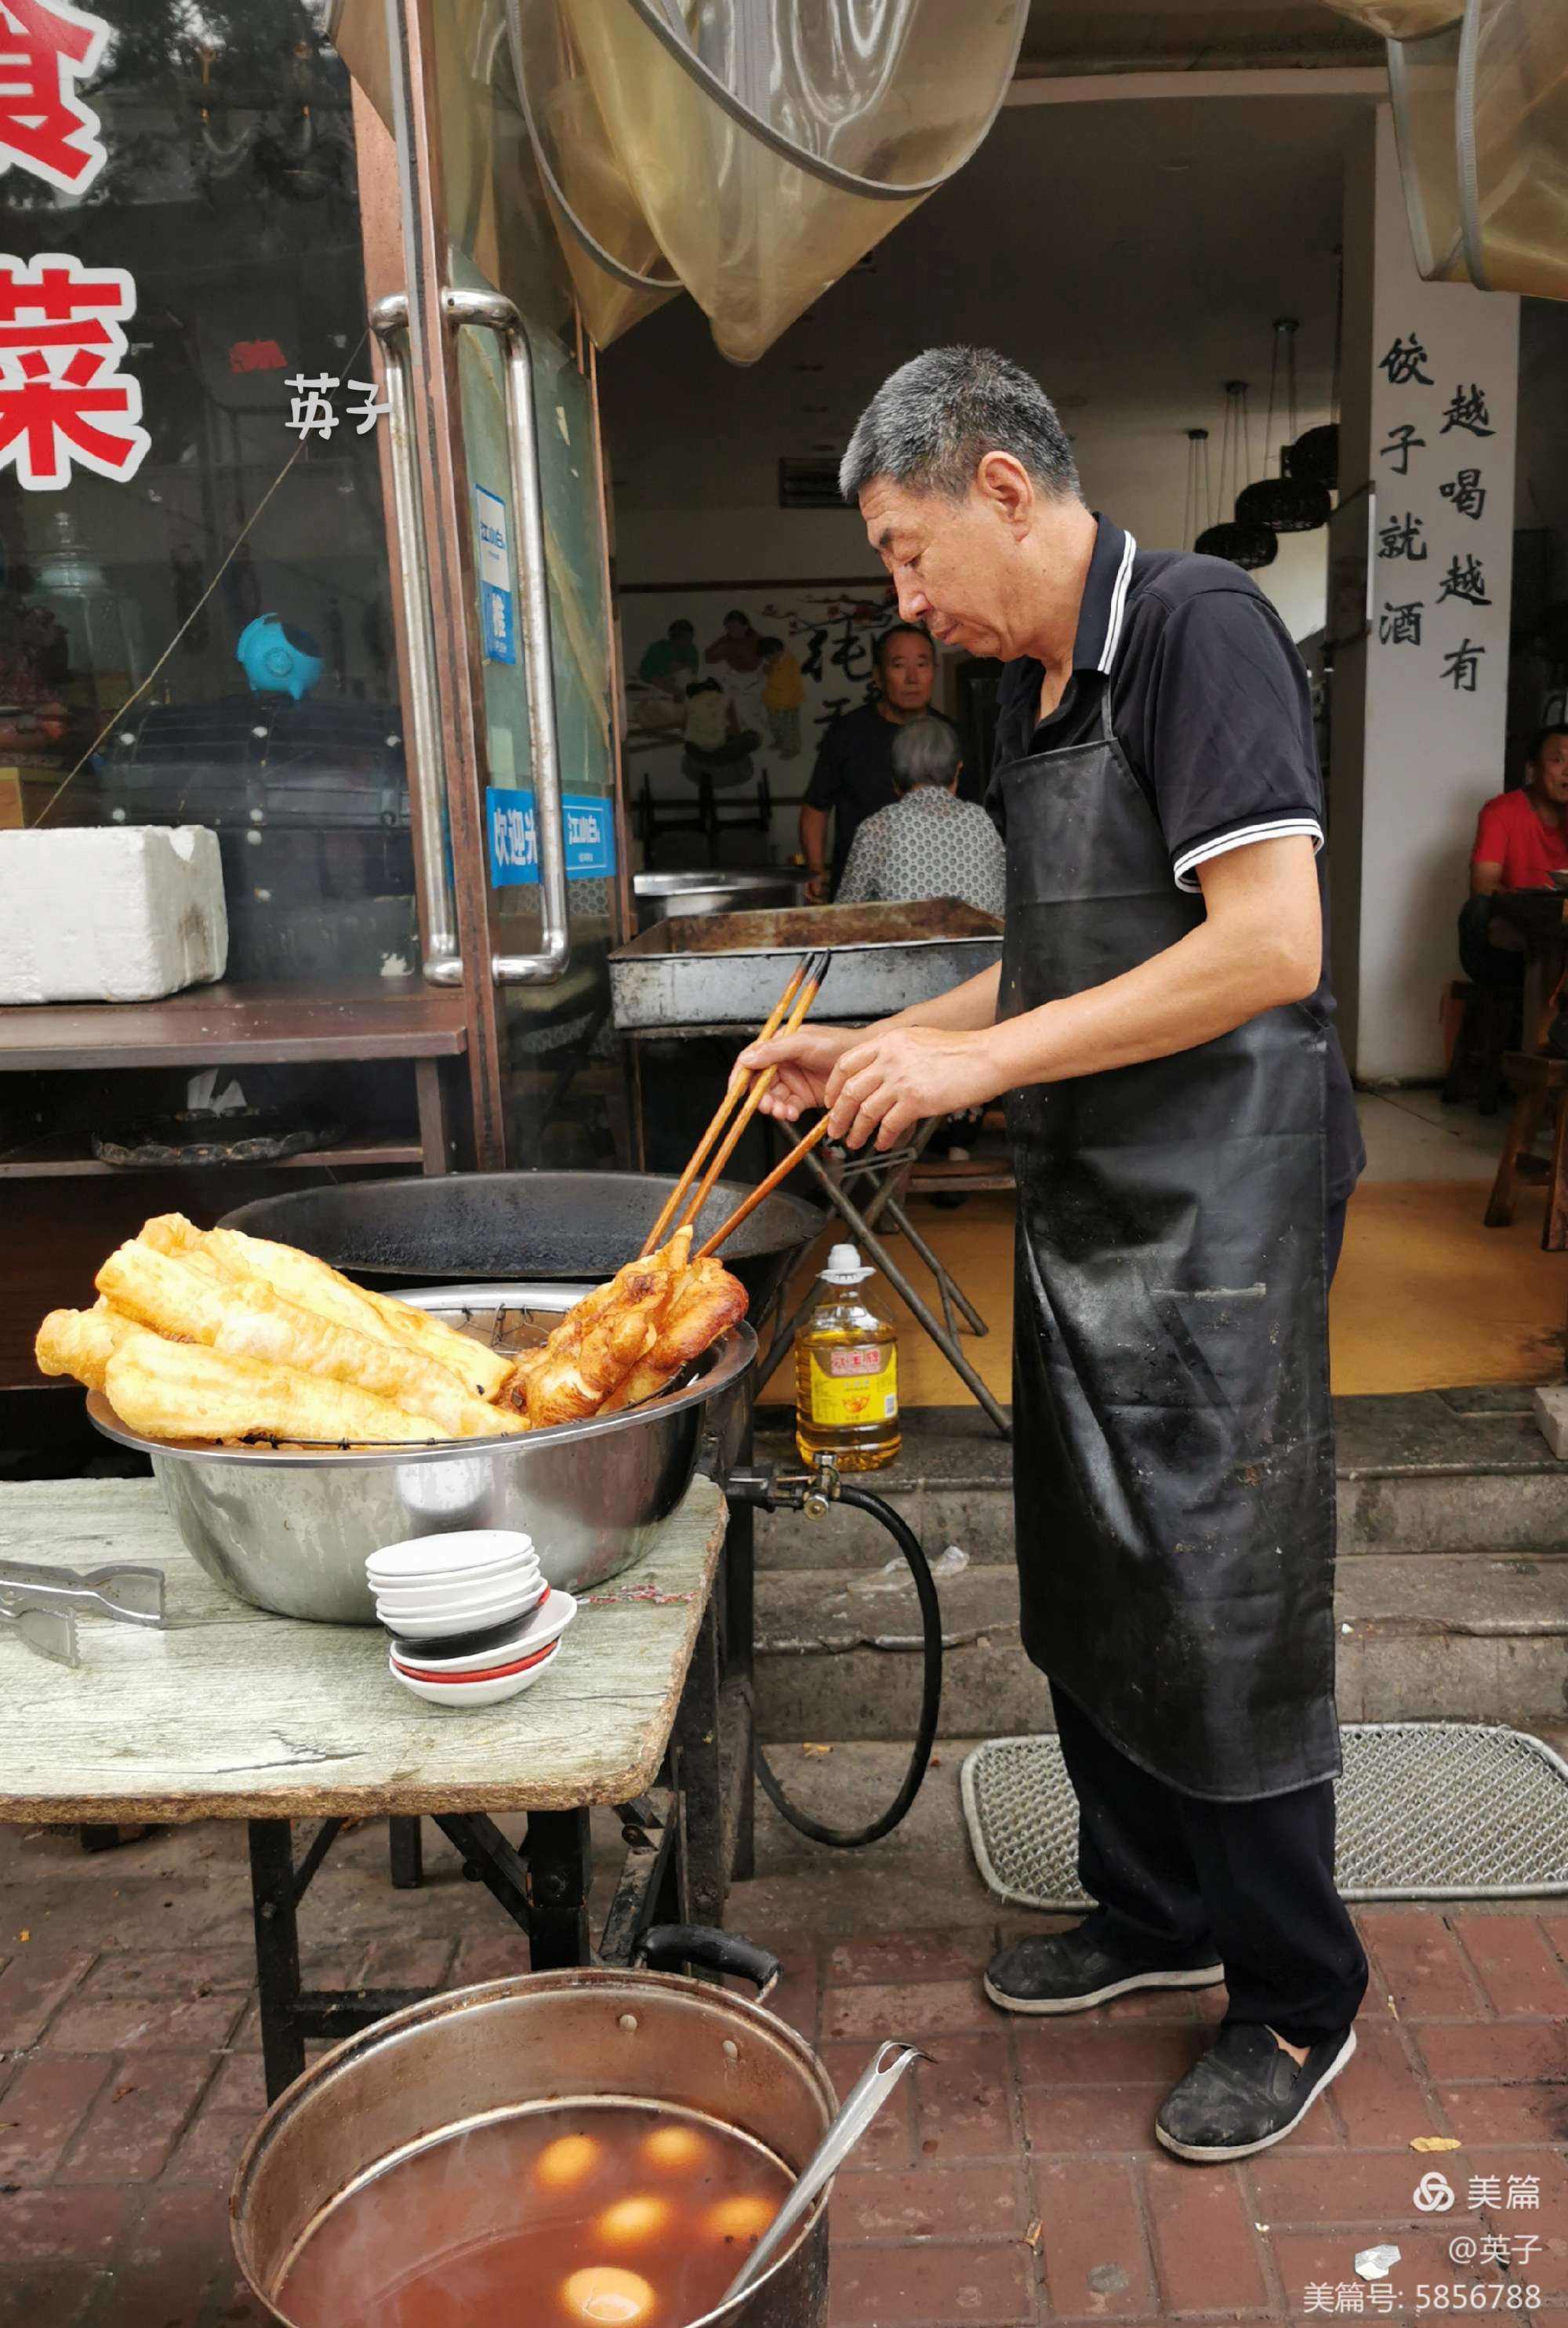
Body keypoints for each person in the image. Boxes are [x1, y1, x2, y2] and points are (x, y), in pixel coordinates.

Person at [742, 346, 1367, 2165]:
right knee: (1091, 1559)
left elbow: (1264, 947)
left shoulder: (1197, 629)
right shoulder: (1027, 693)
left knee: (1215, 1587)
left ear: (1001, 491)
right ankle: (1147, 1912)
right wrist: (884, 1050)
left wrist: (975, 1065)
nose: (903, 599)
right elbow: (1062, 968)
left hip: (1223, 1201)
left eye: (905, 550)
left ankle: (1289, 1995)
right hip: (1092, 1183)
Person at [799, 622, 954, 899]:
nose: (912, 678)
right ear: (878, 677)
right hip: (859, 892)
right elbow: (816, 808)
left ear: (934, 672)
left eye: (922, 664)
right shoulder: (846, 733)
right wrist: (816, 870)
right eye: (898, 665)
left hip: (936, 891)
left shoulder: (950, 736)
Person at [837, 714, 1004, 919]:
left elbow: (844, 917)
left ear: (895, 781)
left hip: (904, 951)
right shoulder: (983, 822)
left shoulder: (878, 829)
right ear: (958, 770)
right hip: (986, 949)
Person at [1458, 725, 1568, 986]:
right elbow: (1482, 885)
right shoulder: (1502, 812)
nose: (1567, 770)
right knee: (1477, 910)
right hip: (1520, 927)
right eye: (1558, 760)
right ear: (1533, 769)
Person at [757, 634, 805, 760]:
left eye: (770, 656)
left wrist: (771, 673)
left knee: (789, 728)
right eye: (766, 657)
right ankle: (780, 741)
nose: (768, 659)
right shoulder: (770, 664)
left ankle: (792, 749)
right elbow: (766, 681)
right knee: (774, 725)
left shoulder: (790, 663)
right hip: (773, 702)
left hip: (788, 703)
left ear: (779, 651)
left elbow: (787, 685)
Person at [637, 618, 699, 697]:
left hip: (683, 692)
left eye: (690, 639)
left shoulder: (691, 650)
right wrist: (667, 686)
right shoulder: (658, 649)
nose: (688, 643)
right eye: (685, 639)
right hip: (656, 691)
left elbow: (692, 672)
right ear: (674, 637)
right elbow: (645, 673)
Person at [704, 608, 763, 677]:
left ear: (745, 627)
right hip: (734, 676)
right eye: (728, 628)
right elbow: (707, 658)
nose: (731, 631)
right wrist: (720, 650)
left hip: (756, 676)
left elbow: (755, 664)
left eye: (735, 627)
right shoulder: (726, 639)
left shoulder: (757, 639)